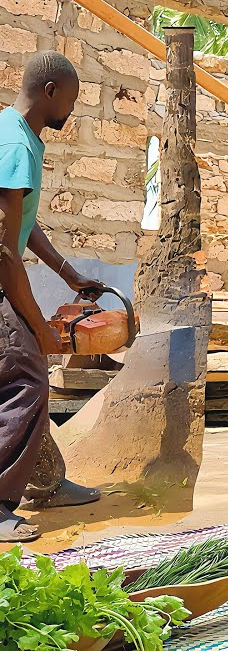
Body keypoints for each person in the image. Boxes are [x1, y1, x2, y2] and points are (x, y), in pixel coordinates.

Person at [0, 51, 106, 542]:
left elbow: (23, 222)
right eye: (71, 98)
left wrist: (68, 273)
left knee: (24, 378)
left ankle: (45, 482)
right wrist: (40, 326)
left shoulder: (16, 132)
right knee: (27, 378)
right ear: (49, 92)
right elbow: (4, 250)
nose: (72, 108)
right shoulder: (15, 143)